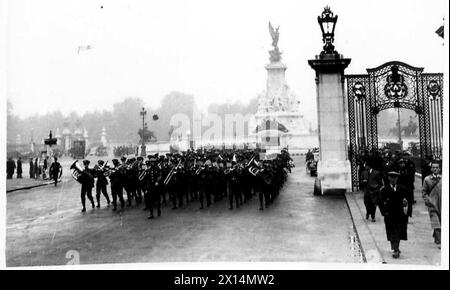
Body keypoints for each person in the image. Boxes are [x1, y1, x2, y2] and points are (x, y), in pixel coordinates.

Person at [379, 171, 409, 259]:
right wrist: (384, 212)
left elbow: (407, 201)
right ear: (389, 178)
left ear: (397, 179)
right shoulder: (384, 190)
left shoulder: (402, 189)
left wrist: (406, 208)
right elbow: (380, 202)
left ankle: (396, 249)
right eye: (391, 177)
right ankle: (395, 247)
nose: (393, 179)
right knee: (391, 231)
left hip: (400, 215)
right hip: (389, 215)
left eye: (395, 178)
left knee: (398, 232)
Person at [422, 161, 442, 245]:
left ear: (439, 169)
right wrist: (427, 200)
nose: (435, 169)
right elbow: (424, 192)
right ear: (431, 169)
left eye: (437, 167)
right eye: (433, 167)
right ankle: (440, 240)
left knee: (441, 222)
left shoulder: (443, 178)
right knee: (436, 222)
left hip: (441, 204)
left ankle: (436, 235)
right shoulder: (427, 179)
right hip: (432, 204)